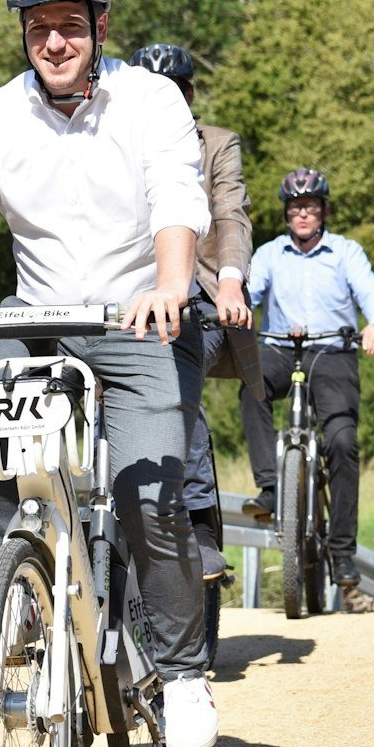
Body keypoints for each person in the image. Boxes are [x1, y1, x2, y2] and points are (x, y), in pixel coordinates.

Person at [0, 0, 220, 747]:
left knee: (150, 494)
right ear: (24, 35)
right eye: (39, 29)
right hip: (34, 314)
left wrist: (172, 284)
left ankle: (181, 673)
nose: (54, 43)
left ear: (100, 27)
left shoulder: (150, 102)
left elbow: (179, 196)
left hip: (141, 315)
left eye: (70, 26)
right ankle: (27, 593)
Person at [128, 42, 260, 583]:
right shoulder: (109, 137)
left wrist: (231, 283)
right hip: (113, 295)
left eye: (175, 91)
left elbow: (229, 216)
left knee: (171, 371)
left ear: (188, 94)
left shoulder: (215, 145)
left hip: (196, 295)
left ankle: (201, 521)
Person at [240, 168, 374, 600]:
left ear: (323, 210)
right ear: (286, 214)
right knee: (252, 386)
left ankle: (342, 552)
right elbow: (249, 293)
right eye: (294, 207)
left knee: (342, 442)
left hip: (333, 351)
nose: (302, 214)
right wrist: (235, 310)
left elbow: (371, 293)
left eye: (309, 206)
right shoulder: (270, 253)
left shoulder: (345, 252)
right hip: (282, 347)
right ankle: (270, 488)